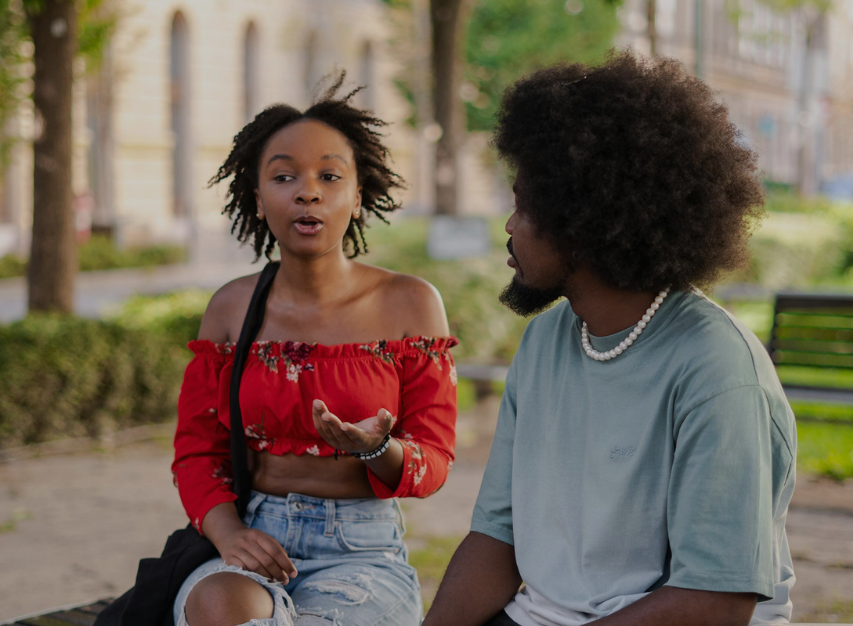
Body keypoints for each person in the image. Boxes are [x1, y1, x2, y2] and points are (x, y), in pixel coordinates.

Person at [423, 50, 796, 626]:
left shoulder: (719, 370)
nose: (509, 226)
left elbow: (714, 602)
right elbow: (498, 538)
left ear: (583, 220)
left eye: (521, 206)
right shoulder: (546, 339)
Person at [171, 73, 458, 626]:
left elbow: (436, 458)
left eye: (330, 175)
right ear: (258, 199)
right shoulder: (231, 309)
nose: (308, 191)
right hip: (254, 539)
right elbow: (196, 450)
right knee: (217, 607)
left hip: (364, 552)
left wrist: (377, 449)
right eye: (284, 176)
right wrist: (230, 534)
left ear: (357, 196)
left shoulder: (410, 304)